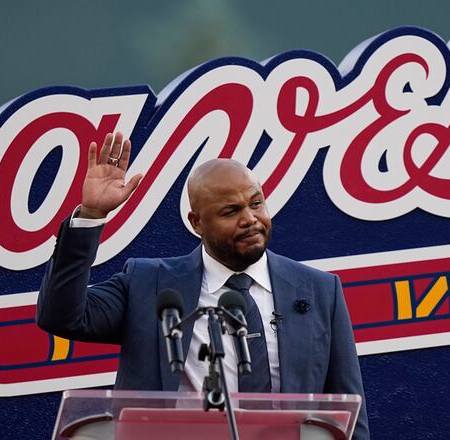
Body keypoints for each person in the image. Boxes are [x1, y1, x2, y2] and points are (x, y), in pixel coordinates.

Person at [36, 132, 370, 439]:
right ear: (197, 223)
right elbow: (61, 316)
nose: (250, 219)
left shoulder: (319, 290)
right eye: (231, 211)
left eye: (256, 203)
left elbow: (350, 414)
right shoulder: (148, 283)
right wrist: (91, 215)